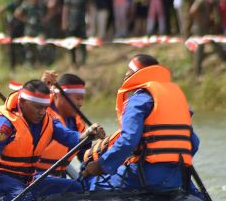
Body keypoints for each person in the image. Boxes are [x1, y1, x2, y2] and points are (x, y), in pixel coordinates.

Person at [0, 80, 103, 201]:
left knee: (75, 188)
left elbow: (70, 136)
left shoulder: (48, 121)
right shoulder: (4, 125)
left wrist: (88, 135)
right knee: (25, 199)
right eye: (37, 107)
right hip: (1, 179)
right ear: (23, 102)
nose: (42, 112)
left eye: (45, 107)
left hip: (28, 180)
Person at [83, 54, 198, 192]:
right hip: (176, 177)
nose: (126, 73)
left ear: (137, 74)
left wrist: (101, 165)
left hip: (146, 176)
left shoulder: (138, 101)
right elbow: (194, 143)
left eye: (130, 69)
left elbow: (128, 140)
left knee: (93, 182)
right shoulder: (179, 104)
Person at [40, 72, 88, 178]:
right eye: (78, 98)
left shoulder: (78, 123)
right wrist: (41, 88)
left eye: (82, 99)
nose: (81, 103)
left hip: (60, 176)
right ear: (59, 95)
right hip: (33, 177)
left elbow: (85, 156)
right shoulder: (40, 113)